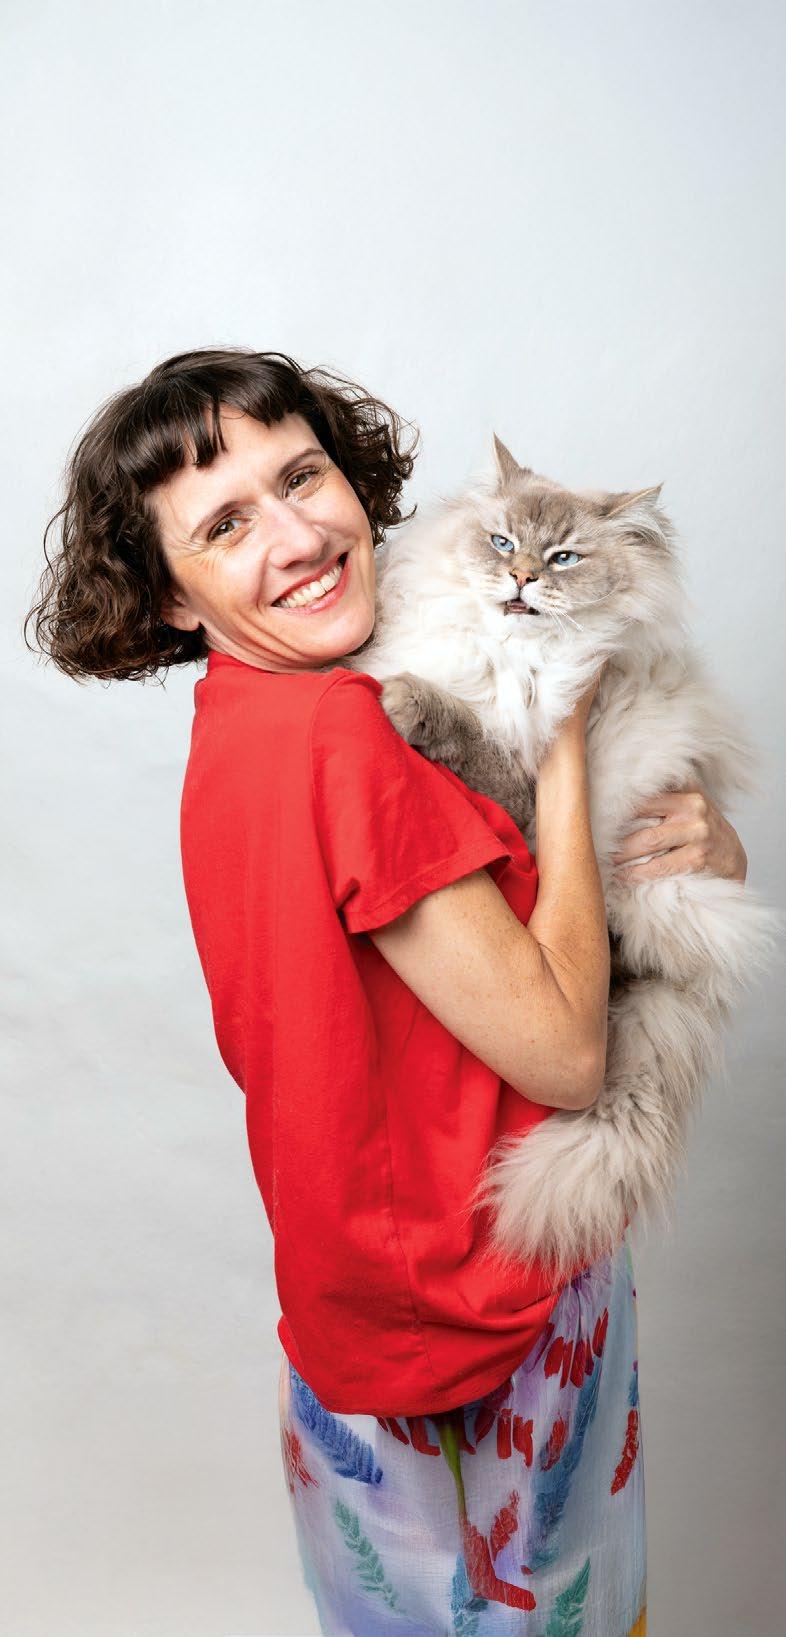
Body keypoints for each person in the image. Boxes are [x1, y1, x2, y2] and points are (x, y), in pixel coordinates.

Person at [25, 348, 747, 1637]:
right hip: (499, 1278)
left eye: (303, 476)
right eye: (226, 525)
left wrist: (699, 842)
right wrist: (570, 742)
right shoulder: (346, 735)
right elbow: (568, 1054)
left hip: (353, 1289)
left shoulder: (251, 716)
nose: (299, 535)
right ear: (170, 596)